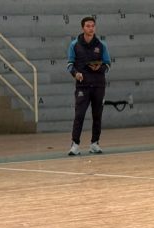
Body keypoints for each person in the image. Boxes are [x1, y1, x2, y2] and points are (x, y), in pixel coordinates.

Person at [67, 16, 111, 156]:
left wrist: (99, 67)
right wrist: (76, 74)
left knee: (97, 115)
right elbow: (70, 65)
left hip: (98, 85)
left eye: (93, 26)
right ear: (83, 28)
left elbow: (108, 64)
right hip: (83, 86)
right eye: (88, 26)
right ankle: (75, 145)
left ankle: (94, 143)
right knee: (79, 115)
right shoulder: (74, 44)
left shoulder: (101, 45)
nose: (91, 28)